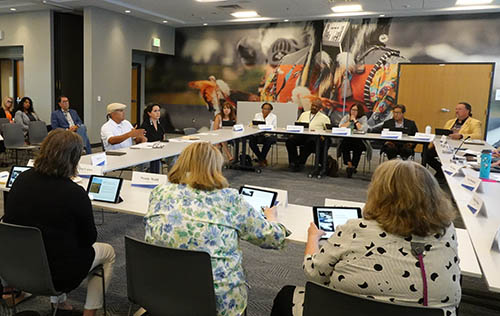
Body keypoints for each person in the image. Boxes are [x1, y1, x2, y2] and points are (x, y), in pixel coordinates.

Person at [271, 160, 460, 316]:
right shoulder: (446, 231)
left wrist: (313, 238)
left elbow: (314, 273)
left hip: (347, 310)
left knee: (286, 296)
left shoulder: (356, 229)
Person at [144, 142, 288, 316]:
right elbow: (272, 238)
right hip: (216, 301)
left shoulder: (160, 192)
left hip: (162, 289)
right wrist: (272, 218)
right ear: (215, 167)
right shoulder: (229, 199)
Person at [3, 129, 115, 316]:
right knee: (108, 253)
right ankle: (89, 312)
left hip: (16, 268)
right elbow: (89, 239)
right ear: (74, 159)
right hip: (58, 276)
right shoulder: (75, 194)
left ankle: (60, 304)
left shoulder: (21, 180)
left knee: (53, 242)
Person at [425, 102, 482, 178]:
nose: (457, 111)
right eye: (456, 109)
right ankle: (441, 171)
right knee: (426, 154)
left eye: (460, 109)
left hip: (461, 148)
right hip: (446, 146)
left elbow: (478, 135)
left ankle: (445, 173)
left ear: (467, 111)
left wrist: (461, 136)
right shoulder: (450, 122)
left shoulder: (475, 122)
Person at [286, 99, 330, 172]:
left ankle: (299, 162)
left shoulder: (324, 118)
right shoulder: (304, 114)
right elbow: (297, 125)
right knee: (290, 141)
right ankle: (293, 162)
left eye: (316, 106)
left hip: (314, 138)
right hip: (302, 135)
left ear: (320, 108)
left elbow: (328, 131)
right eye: (313, 105)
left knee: (309, 143)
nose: (314, 107)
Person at [338, 103, 368, 177]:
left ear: (360, 111)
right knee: (344, 145)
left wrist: (355, 120)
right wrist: (349, 121)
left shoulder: (363, 118)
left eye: (356, 110)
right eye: (352, 110)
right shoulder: (347, 117)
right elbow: (340, 127)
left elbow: (362, 128)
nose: (353, 112)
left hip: (358, 139)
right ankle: (350, 165)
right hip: (348, 139)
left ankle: (353, 166)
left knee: (358, 147)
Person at [249, 102, 277, 167]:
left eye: (267, 109)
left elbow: (274, 127)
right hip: (259, 134)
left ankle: (261, 159)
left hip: (269, 135)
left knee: (269, 141)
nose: (265, 110)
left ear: (270, 110)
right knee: (251, 141)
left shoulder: (273, 117)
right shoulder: (257, 115)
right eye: (264, 108)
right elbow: (254, 125)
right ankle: (262, 158)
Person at [140, 104, 165, 173]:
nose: (158, 113)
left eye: (159, 111)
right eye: (155, 111)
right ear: (149, 113)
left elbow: (163, 137)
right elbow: (142, 141)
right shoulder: (145, 125)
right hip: (149, 152)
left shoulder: (160, 124)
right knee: (156, 159)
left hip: (159, 149)